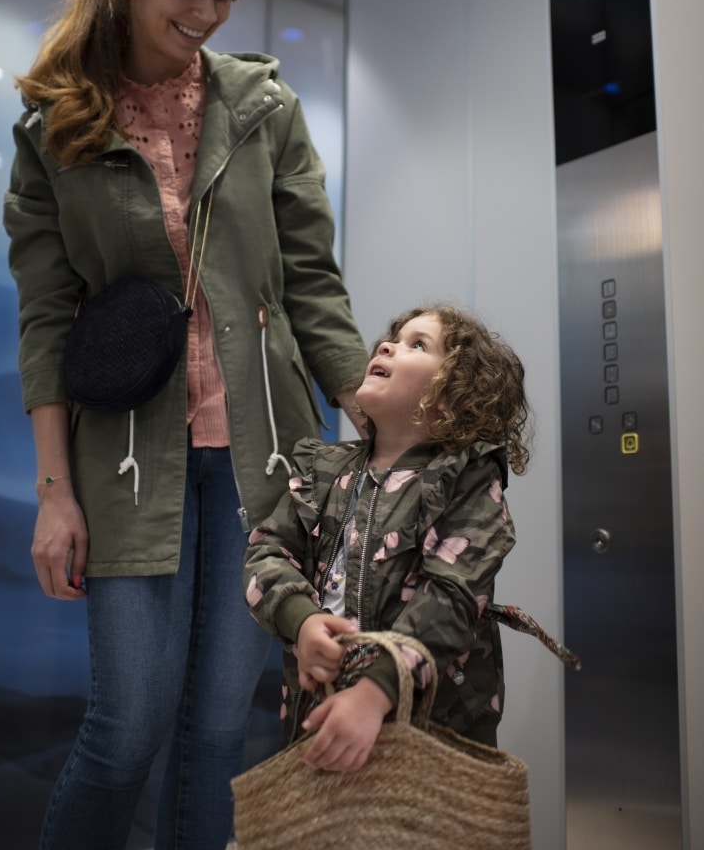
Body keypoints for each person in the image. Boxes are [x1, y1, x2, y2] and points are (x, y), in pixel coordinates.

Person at [3, 0, 368, 850]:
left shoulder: (262, 107)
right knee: (125, 731)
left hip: (264, 462)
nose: (206, 13)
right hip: (127, 459)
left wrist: (373, 412)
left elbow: (310, 283)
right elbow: (46, 319)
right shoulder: (56, 126)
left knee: (218, 731)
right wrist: (53, 491)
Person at [244, 303, 578, 773]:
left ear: (452, 396)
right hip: (321, 722)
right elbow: (267, 552)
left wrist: (374, 691)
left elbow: (452, 597)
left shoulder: (466, 479)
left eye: (417, 345)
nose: (387, 345)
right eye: (393, 339)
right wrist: (301, 622)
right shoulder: (322, 470)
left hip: (432, 739)